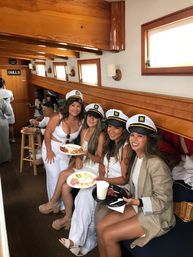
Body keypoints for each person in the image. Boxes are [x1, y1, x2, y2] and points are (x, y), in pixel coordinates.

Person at [96, 114, 176, 257]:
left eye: (140, 136)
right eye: (132, 135)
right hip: (138, 205)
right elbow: (136, 188)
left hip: (157, 214)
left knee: (108, 235)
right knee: (101, 226)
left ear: (148, 140)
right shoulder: (137, 157)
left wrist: (138, 201)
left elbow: (163, 201)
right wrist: (125, 195)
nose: (134, 139)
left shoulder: (156, 164)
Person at [59, 108, 130, 256]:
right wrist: (100, 177)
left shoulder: (125, 147)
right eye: (110, 126)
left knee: (92, 204)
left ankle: (88, 241)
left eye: (116, 128)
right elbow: (103, 165)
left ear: (123, 130)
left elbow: (124, 178)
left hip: (119, 187)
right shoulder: (110, 144)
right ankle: (75, 240)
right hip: (105, 182)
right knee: (83, 196)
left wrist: (103, 180)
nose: (111, 131)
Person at [39, 103, 105, 233]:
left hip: (93, 168)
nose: (92, 119)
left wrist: (85, 154)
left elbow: (99, 159)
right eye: (90, 116)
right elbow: (79, 150)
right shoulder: (84, 131)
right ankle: (67, 218)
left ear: (99, 120)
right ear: (86, 117)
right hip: (84, 164)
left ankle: (52, 203)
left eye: (95, 117)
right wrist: (79, 158)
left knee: (63, 174)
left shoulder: (100, 135)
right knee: (64, 187)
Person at [41, 90, 84, 209]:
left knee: (62, 176)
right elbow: (47, 134)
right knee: (54, 175)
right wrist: (49, 151)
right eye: (72, 105)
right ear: (68, 106)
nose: (75, 109)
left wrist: (77, 155)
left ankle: (62, 206)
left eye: (78, 106)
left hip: (66, 151)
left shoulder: (81, 121)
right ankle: (54, 204)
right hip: (51, 147)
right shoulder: (57, 117)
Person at [0, 78, 15, 143]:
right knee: (10, 125)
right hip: (8, 109)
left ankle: (3, 140)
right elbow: (12, 99)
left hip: (0, 110)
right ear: (3, 84)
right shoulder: (9, 92)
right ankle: (12, 139)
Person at [0, 98, 12, 164]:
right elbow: (9, 112)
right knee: (4, 141)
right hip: (1, 123)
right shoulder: (1, 100)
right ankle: (6, 158)